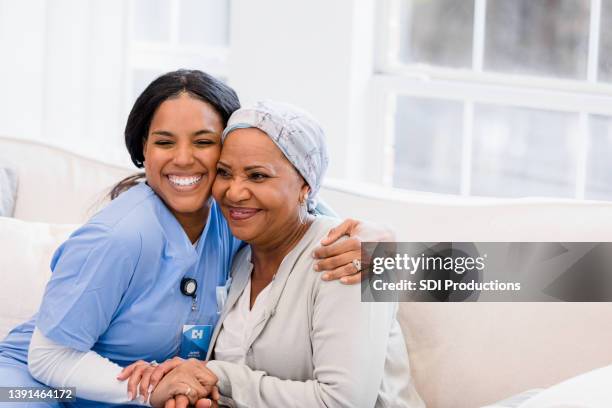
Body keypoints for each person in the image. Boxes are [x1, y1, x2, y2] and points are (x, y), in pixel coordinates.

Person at [0, 70, 389, 407]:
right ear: (143, 150)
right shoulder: (119, 237)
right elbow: (48, 358)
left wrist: (381, 241)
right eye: (165, 142)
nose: (184, 159)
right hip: (36, 385)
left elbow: (307, 211)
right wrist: (151, 391)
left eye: (204, 142)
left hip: (133, 394)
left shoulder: (236, 217)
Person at [132, 101, 424, 408]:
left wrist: (218, 376)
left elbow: (342, 402)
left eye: (257, 176)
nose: (234, 192)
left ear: (306, 185)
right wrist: (172, 381)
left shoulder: (348, 259)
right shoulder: (238, 255)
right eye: (224, 172)